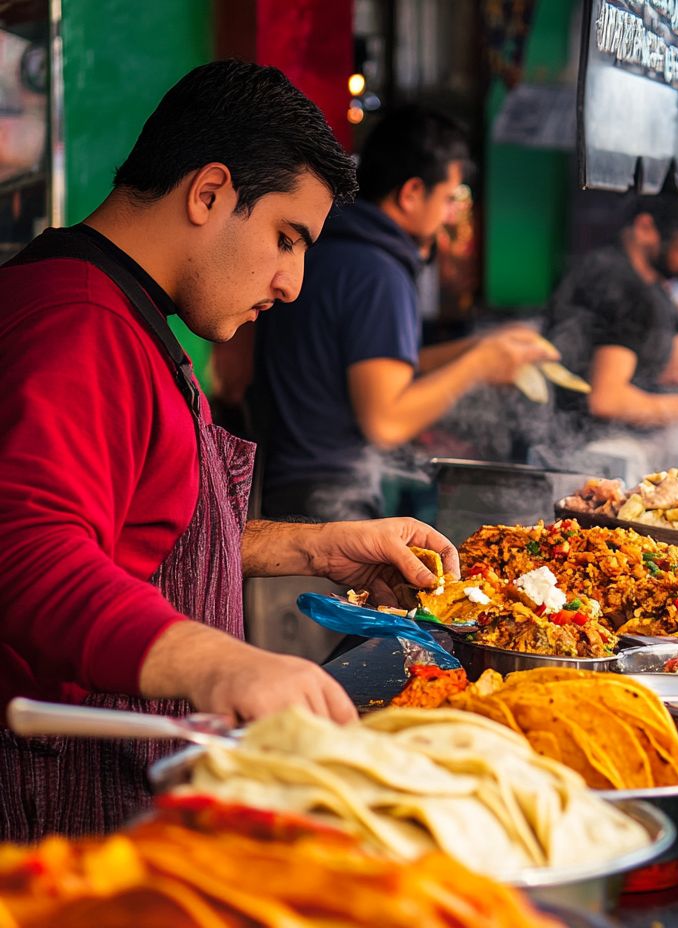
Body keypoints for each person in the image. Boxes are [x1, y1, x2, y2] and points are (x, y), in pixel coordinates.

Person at [0, 60, 459, 840]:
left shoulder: (125, 316)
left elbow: (132, 539)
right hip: (64, 804)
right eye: (287, 238)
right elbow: (27, 551)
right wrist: (223, 664)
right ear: (209, 192)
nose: (293, 284)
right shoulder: (79, 325)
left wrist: (318, 546)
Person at [253, 105, 557, 521]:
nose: (452, 213)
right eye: (449, 198)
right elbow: (386, 421)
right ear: (412, 192)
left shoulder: (335, 249)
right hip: (328, 500)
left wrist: (480, 346)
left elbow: (376, 367)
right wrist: (479, 365)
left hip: (286, 488)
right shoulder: (378, 272)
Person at [541, 194, 678, 433]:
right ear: (645, 228)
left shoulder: (655, 288)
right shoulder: (614, 281)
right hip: (581, 452)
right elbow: (606, 400)